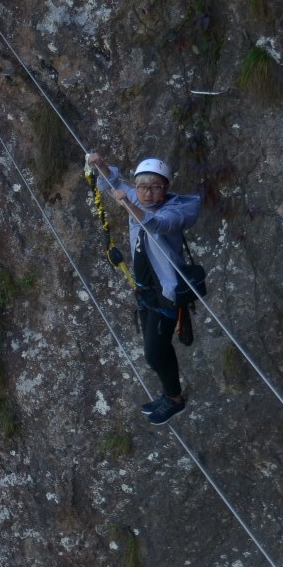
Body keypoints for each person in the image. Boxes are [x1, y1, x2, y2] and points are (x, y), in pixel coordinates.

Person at [87, 152, 202, 424]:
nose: (148, 193)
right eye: (142, 187)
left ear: (166, 188)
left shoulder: (175, 212)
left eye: (155, 187)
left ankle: (174, 399)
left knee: (153, 353)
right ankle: (170, 395)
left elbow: (156, 224)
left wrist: (129, 202)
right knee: (159, 349)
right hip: (145, 291)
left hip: (166, 294)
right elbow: (112, 182)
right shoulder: (135, 198)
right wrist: (101, 165)